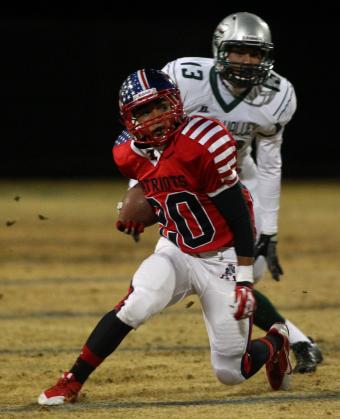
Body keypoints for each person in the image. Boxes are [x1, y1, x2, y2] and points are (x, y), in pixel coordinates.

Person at [38, 69, 292, 406]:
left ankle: (276, 341)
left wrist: (245, 279)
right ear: (128, 118)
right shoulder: (126, 152)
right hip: (177, 248)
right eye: (142, 112)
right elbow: (158, 187)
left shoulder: (204, 142)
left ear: (175, 102)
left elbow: (238, 215)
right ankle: (71, 381)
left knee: (231, 371)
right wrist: (135, 212)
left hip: (224, 256)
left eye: (158, 106)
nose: (153, 118)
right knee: (137, 303)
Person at [159, 11, 322, 373]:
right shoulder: (184, 78)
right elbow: (152, 137)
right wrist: (143, 188)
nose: (248, 61)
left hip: (235, 179)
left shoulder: (278, 94)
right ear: (219, 49)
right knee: (222, 272)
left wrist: (269, 229)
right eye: (238, 51)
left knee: (245, 271)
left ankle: (291, 338)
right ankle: (293, 339)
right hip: (187, 183)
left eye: (255, 54)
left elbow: (269, 163)